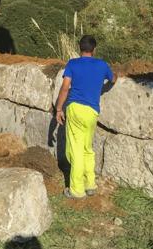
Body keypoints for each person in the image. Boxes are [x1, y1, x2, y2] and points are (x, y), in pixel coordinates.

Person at [55, 35, 116, 198]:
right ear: (94, 49)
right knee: (87, 148)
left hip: (75, 109)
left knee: (75, 149)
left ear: (79, 48)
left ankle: (76, 190)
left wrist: (59, 109)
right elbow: (114, 79)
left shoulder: (72, 64)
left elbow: (65, 87)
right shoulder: (102, 65)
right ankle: (90, 184)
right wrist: (104, 84)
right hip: (91, 111)